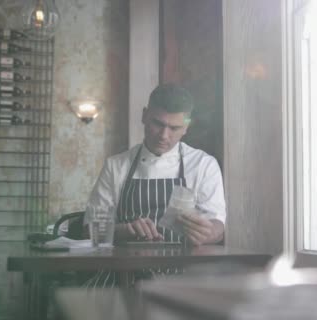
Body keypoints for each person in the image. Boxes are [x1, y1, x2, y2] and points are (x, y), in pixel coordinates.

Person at [86, 83, 226, 246]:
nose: (164, 136)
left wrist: (207, 233)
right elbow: (90, 229)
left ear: (186, 127)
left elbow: (218, 226)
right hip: (126, 268)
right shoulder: (115, 166)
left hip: (183, 269)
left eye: (174, 128)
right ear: (144, 116)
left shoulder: (203, 165)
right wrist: (124, 230)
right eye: (158, 124)